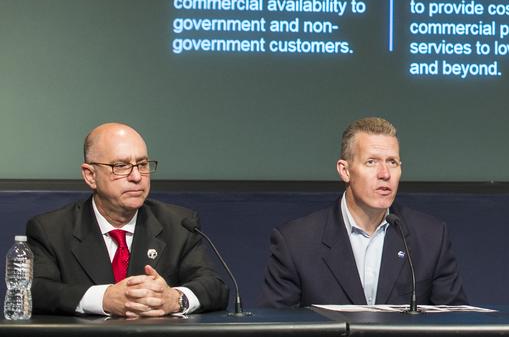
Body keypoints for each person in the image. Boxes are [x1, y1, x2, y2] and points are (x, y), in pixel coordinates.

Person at [23, 123, 228, 316]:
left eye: (142, 164)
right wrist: (103, 298)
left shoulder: (179, 224)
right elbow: (35, 291)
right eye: (121, 166)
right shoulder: (51, 229)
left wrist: (175, 299)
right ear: (90, 175)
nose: (137, 176)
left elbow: (214, 286)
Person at [260, 117, 467, 307]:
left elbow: (453, 322)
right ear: (345, 170)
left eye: (392, 162)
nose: (385, 174)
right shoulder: (296, 242)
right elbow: (278, 327)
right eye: (371, 162)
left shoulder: (431, 237)